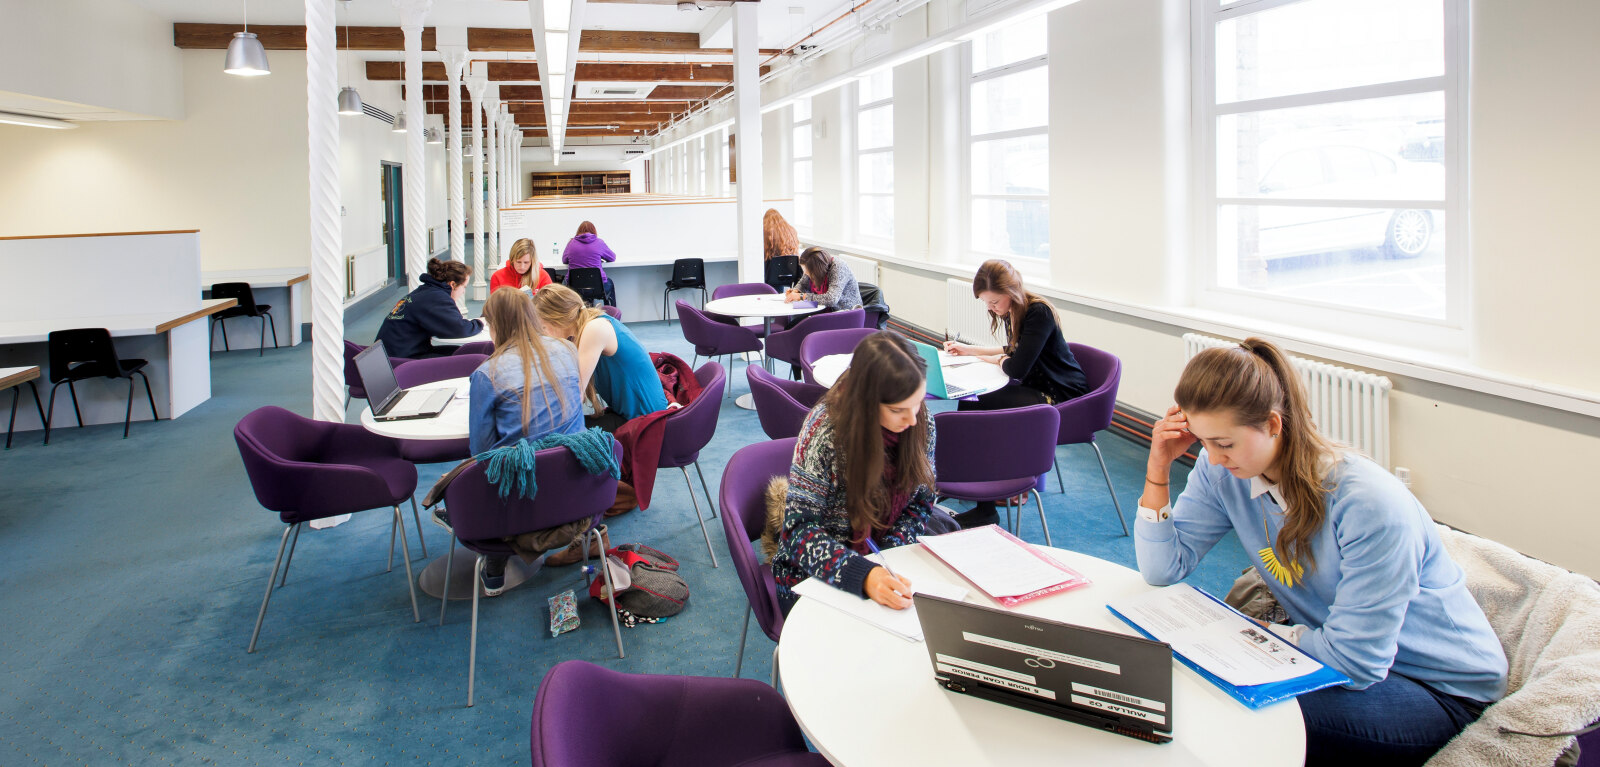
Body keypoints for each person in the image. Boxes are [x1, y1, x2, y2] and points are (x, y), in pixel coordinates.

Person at [1138, 337, 1506, 766]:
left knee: (1226, 712)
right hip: (1338, 654)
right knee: (1188, 687)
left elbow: (1357, 664)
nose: (1213, 458)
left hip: (1435, 688)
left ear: (1273, 425)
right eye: (1203, 441)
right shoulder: (1222, 472)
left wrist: (1254, 636)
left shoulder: (1369, 503)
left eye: (1226, 444)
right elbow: (1163, 568)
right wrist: (1157, 469)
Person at [772, 331, 937, 615]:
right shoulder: (825, 432)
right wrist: (864, 574)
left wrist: (892, 553)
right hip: (815, 573)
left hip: (889, 559)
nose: (913, 419)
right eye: (899, 410)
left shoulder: (921, 422)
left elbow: (921, 502)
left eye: (919, 402)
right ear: (867, 403)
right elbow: (799, 532)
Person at [465, 288, 604, 595]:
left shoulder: (487, 374)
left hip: (524, 497)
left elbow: (481, 452)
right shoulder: (566, 350)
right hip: (577, 489)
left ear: (494, 324)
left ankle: (495, 564)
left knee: (485, 469)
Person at [942, 259, 1088, 526]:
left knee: (977, 402)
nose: (991, 308)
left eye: (994, 302)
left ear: (1012, 293)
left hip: (1062, 396)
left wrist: (999, 361)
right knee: (973, 402)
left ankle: (984, 501)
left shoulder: (1038, 313)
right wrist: (969, 350)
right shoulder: (1015, 311)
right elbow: (1011, 351)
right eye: (986, 303)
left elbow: (1016, 367)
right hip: (1038, 385)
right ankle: (973, 481)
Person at [532, 284, 666, 432]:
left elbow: (576, 394)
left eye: (543, 328)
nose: (544, 335)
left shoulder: (594, 329)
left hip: (646, 420)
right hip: (634, 411)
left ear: (556, 320)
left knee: (550, 433)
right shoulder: (588, 324)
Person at [376, 257, 483, 359]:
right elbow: (460, 329)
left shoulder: (425, 291)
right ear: (453, 284)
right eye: (463, 287)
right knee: (471, 359)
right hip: (403, 360)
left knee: (463, 352)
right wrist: (479, 323)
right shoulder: (437, 298)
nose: (463, 292)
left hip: (392, 354)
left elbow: (450, 325)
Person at [784, 246, 862, 312]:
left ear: (817, 269)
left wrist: (801, 296)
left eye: (809, 273)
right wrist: (795, 291)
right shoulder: (814, 268)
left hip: (844, 312)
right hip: (825, 309)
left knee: (797, 324)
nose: (806, 275)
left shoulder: (838, 267)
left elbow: (831, 299)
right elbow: (803, 283)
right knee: (795, 322)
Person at [561, 221, 617, 306]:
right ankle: (611, 313)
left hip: (575, 288)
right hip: (597, 288)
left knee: (564, 284)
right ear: (594, 231)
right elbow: (612, 257)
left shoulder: (571, 243)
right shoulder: (599, 242)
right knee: (610, 283)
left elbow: (564, 260)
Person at [489, 238, 553, 294]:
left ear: (532, 261)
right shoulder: (497, 276)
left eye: (526, 262)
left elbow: (549, 303)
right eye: (518, 262)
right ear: (512, 259)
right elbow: (495, 305)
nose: (522, 267)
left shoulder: (542, 275)